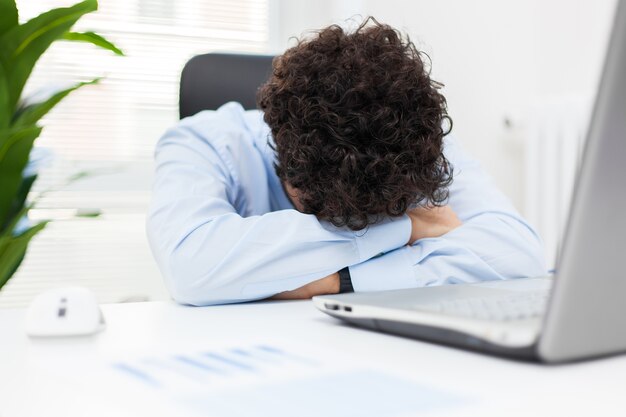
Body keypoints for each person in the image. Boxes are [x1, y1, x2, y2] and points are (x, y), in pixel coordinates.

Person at [147, 19, 546, 306]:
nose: (378, 223)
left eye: (387, 213)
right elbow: (191, 267)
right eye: (327, 218)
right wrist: (407, 226)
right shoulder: (202, 142)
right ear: (284, 163)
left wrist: (339, 282)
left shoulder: (416, 139)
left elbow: (518, 252)